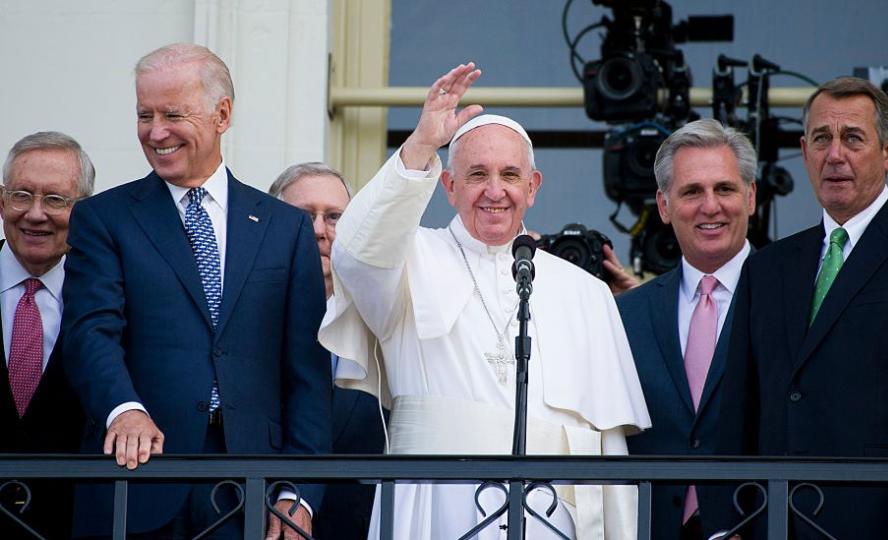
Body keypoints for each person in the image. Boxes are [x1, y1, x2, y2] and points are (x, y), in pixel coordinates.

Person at [319, 63, 650, 539]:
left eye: (509, 175)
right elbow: (354, 251)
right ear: (449, 187)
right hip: (434, 509)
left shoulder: (587, 293)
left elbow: (608, 449)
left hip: (551, 517)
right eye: (476, 174)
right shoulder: (408, 259)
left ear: (531, 188)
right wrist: (420, 146)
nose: (495, 191)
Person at [61, 43, 331, 539]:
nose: (156, 132)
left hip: (250, 488)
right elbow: (89, 332)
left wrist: (298, 492)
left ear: (222, 114)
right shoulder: (104, 219)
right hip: (136, 477)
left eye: (173, 114)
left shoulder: (284, 228)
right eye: (145, 115)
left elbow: (307, 375)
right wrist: (125, 409)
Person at [716, 76, 888, 539]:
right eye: (822, 139)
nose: (835, 155)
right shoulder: (767, 267)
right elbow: (738, 414)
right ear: (804, 150)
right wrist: (728, 526)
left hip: (883, 522)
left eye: (852, 138)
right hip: (775, 522)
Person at [617, 119, 756, 539]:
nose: (710, 206)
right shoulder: (625, 315)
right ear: (663, 205)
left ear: (750, 197)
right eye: (692, 191)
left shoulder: (791, 296)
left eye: (725, 189)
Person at [269, 162, 386, 538]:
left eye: (334, 217)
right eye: (303, 217)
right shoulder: (244, 320)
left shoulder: (386, 318)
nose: (319, 230)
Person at [0, 131, 92, 539]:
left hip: (73, 523)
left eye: (56, 200)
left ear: (85, 211)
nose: (35, 214)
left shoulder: (109, 298)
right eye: (22, 195)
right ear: (2, 201)